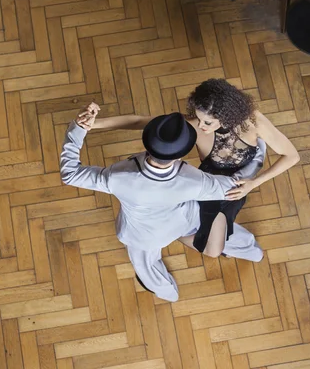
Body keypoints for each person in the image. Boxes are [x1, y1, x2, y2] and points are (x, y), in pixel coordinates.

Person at [61, 104, 264, 302]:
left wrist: (79, 128)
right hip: (184, 218)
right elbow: (237, 183)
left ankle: (168, 293)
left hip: (144, 235)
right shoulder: (193, 180)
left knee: (146, 266)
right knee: (216, 222)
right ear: (180, 155)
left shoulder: (118, 177)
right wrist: (258, 154)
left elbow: (70, 174)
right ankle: (250, 251)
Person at [80, 78, 300, 259]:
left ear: (227, 116)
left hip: (236, 189)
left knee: (214, 245)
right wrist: (93, 124)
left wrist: (254, 184)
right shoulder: (195, 123)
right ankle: (175, 233)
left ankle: (179, 231)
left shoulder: (253, 122)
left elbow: (291, 156)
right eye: (200, 119)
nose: (200, 127)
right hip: (206, 186)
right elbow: (140, 121)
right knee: (213, 250)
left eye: (208, 123)